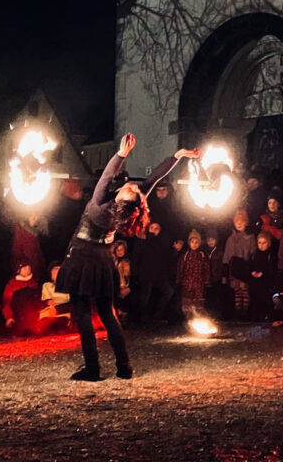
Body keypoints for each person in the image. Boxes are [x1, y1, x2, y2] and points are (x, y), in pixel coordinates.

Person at [55, 133, 197, 381]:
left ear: (123, 200)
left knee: (83, 313)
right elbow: (154, 178)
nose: (130, 185)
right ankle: (124, 366)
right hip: (103, 259)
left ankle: (92, 368)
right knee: (107, 312)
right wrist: (177, 156)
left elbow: (105, 178)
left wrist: (122, 155)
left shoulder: (98, 209)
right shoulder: (128, 205)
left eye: (130, 188)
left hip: (83, 257)